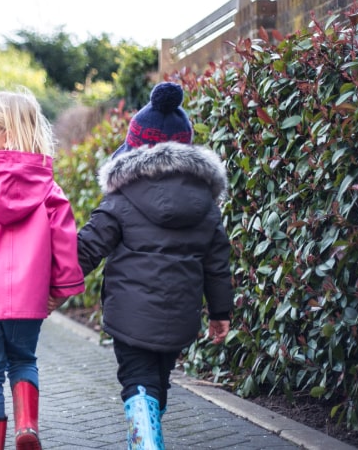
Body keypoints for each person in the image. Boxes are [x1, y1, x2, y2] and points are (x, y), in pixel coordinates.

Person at [75, 82, 233, 450]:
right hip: (181, 314)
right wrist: (220, 311)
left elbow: (88, 249)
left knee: (137, 381)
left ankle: (145, 443)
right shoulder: (206, 203)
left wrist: (53, 282)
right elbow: (217, 262)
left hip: (129, 315)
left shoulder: (121, 197)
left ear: (134, 148)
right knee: (157, 383)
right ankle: (148, 435)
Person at [0, 90, 85, 450]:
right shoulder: (47, 186)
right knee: (24, 360)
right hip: (28, 297)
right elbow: (64, 239)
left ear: (7, 133)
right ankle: (26, 427)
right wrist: (61, 288)